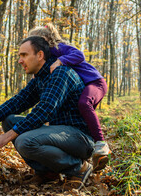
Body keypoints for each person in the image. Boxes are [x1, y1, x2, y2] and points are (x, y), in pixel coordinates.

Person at [0, 36, 94, 190]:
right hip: (60, 135)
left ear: (40, 55)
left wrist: (6, 137)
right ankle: (47, 172)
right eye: (19, 56)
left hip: (80, 139)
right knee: (9, 120)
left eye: (24, 55)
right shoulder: (40, 77)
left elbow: (44, 110)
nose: (20, 60)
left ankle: (79, 168)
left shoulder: (60, 73)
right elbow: (18, 101)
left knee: (26, 141)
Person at [28, 23, 110, 172]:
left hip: (94, 82)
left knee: (84, 104)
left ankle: (100, 143)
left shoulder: (60, 48)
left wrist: (61, 61)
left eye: (34, 41)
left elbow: (80, 55)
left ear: (45, 39)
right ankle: (80, 152)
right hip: (84, 85)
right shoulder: (49, 55)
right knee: (77, 109)